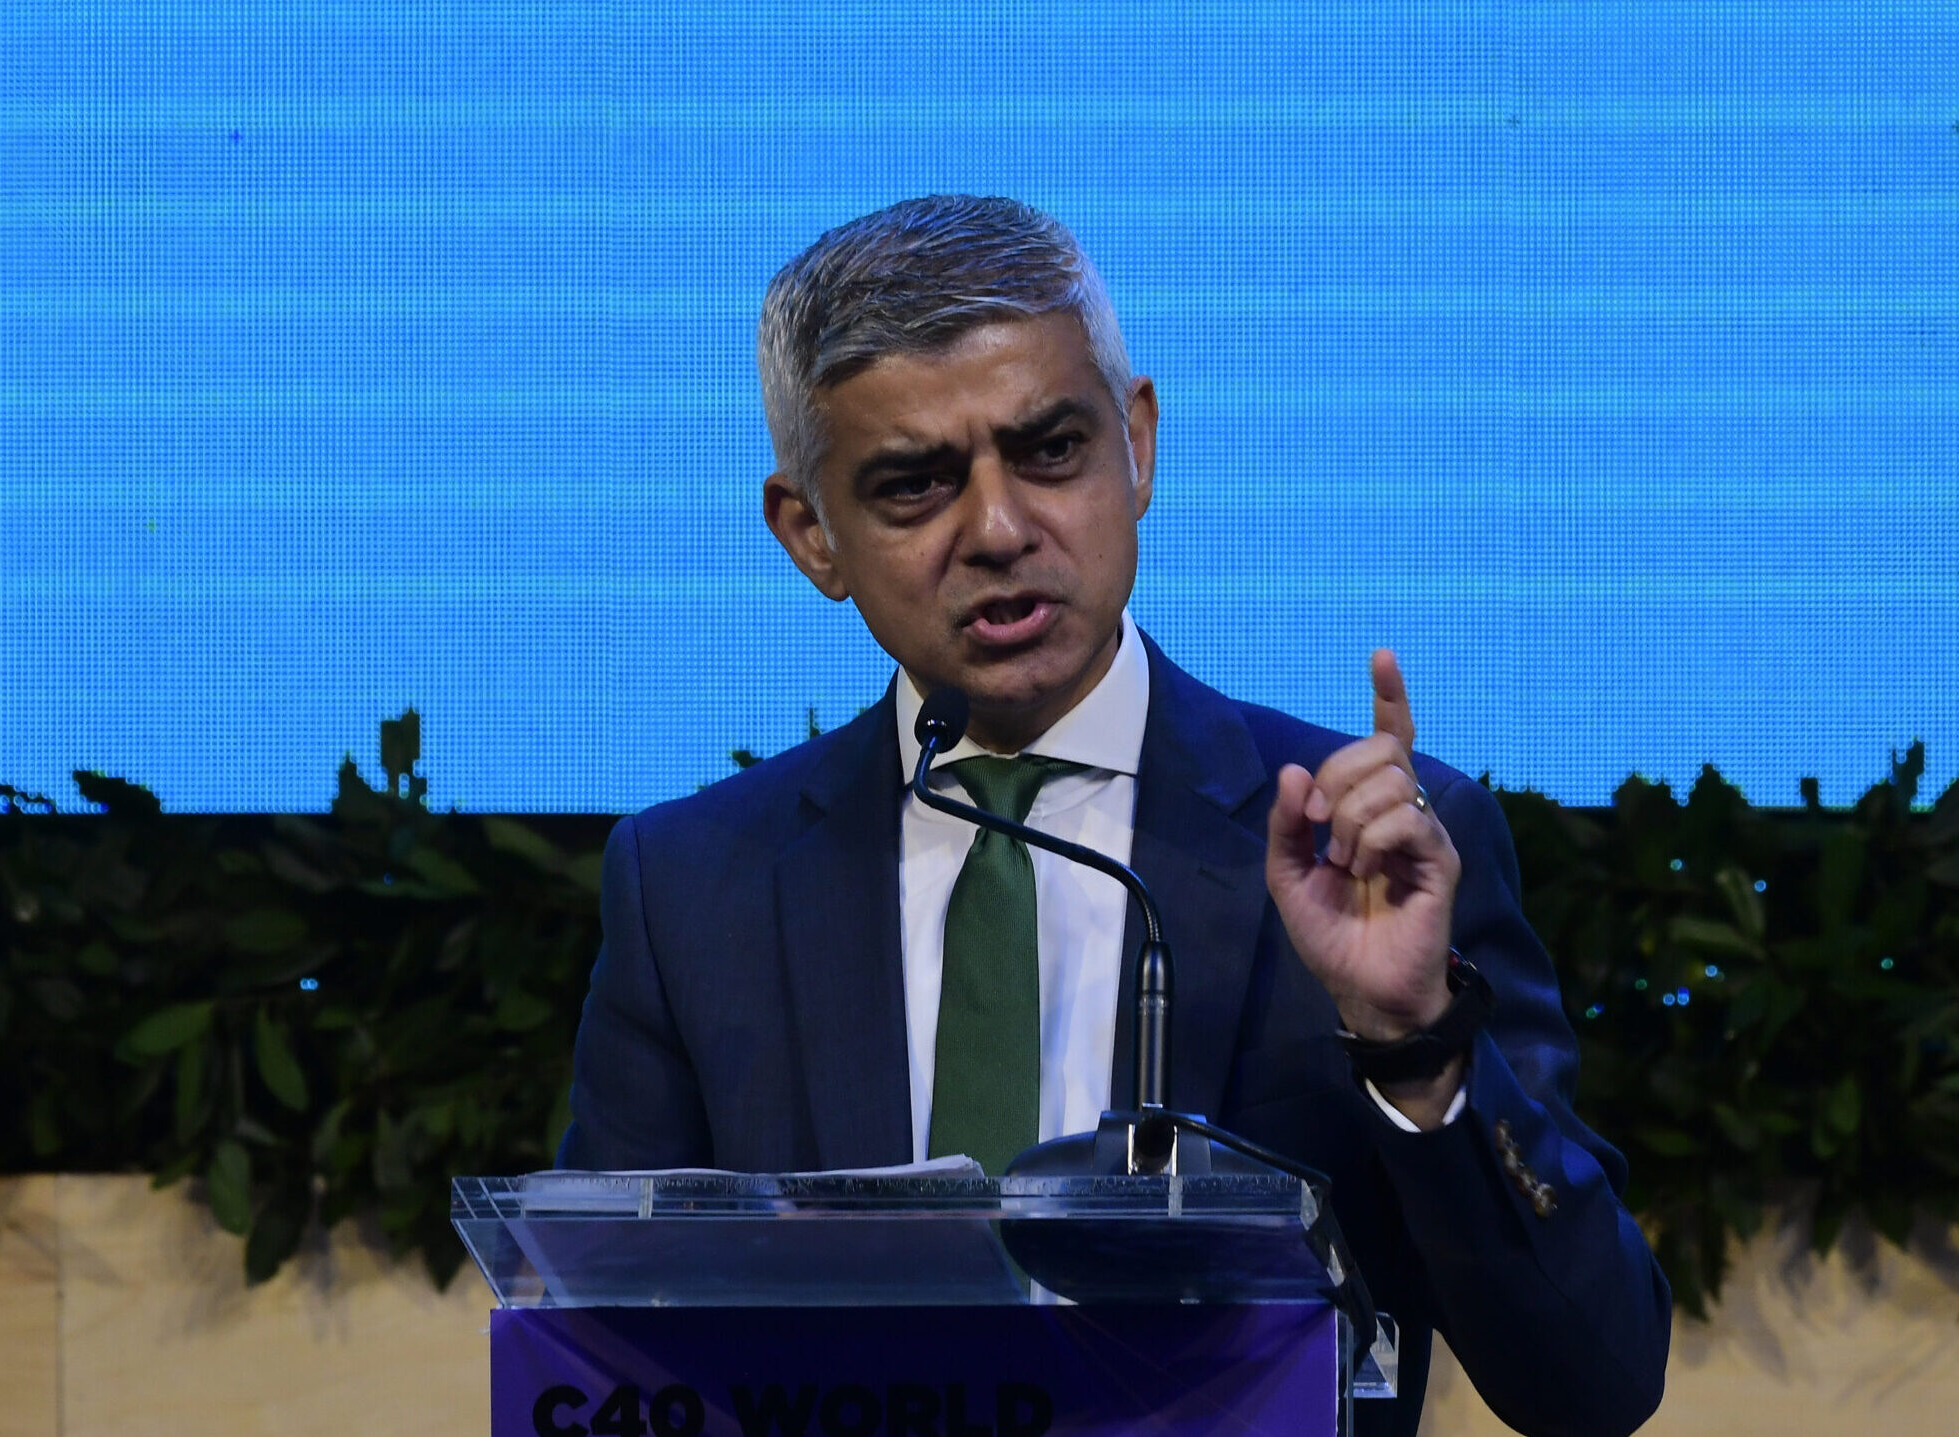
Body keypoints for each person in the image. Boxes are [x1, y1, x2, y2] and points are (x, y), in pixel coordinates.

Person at [557, 195, 1671, 1437]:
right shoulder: (694, 885)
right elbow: (608, 1354)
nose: (998, 530)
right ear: (811, 535)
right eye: (915, 485)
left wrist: (1413, 1046)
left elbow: (1593, 1384)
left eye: (1049, 451)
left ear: (1136, 445)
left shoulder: (1367, 850)